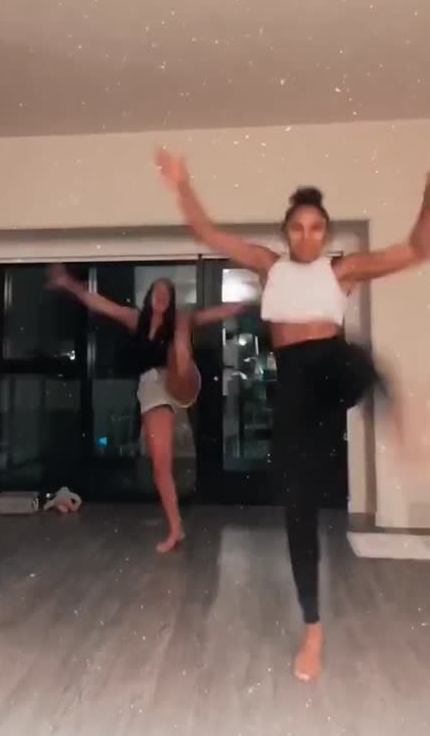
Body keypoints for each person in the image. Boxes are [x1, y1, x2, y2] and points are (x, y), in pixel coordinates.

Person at [156, 148, 430, 681]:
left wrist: (428, 194)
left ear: (326, 234)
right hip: (297, 391)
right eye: (298, 228)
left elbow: (418, 249)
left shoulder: (342, 270)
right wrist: (182, 183)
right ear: (286, 233)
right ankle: (313, 630)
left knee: (357, 358)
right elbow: (206, 232)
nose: (307, 237)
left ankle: (402, 430)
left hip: (332, 367)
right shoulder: (268, 265)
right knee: (297, 504)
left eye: (316, 228)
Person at [49, 265, 249, 553]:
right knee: (160, 466)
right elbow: (101, 304)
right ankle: (176, 528)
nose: (162, 295)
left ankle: (181, 359)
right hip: (153, 388)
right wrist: (70, 284)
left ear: (171, 300)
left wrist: (241, 306)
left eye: (167, 292)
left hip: (180, 376)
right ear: (150, 296)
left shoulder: (178, 320)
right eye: (158, 291)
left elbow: (212, 314)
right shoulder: (136, 319)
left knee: (183, 326)